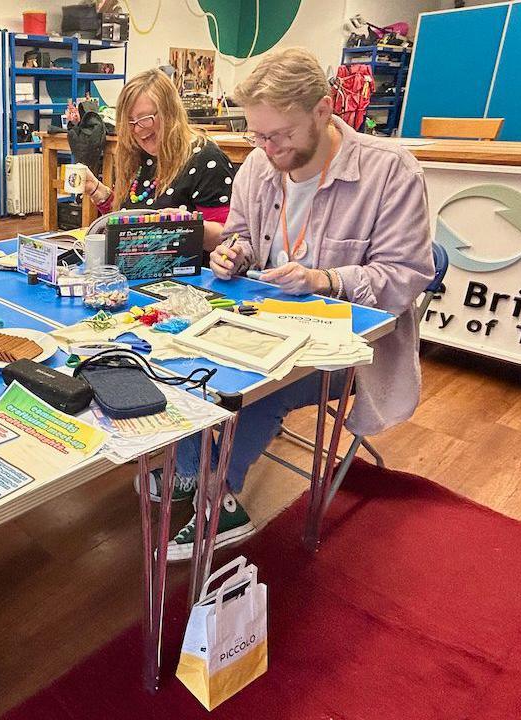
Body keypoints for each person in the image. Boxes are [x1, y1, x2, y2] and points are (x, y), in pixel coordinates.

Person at [154, 47, 434, 561]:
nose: (267, 148)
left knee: (257, 385)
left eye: (279, 135)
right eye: (257, 135)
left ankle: (219, 498)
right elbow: (240, 237)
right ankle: (192, 466)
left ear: (323, 110)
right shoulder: (258, 166)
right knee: (174, 351)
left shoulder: (391, 172)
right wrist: (232, 256)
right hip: (261, 319)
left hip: (345, 346)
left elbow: (405, 279)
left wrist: (325, 279)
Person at [77, 69, 236, 250]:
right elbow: (129, 218)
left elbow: (228, 238)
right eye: (130, 122)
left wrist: (188, 227)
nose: (137, 129)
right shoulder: (137, 155)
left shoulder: (206, 159)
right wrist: (98, 191)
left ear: (170, 112)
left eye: (145, 118)